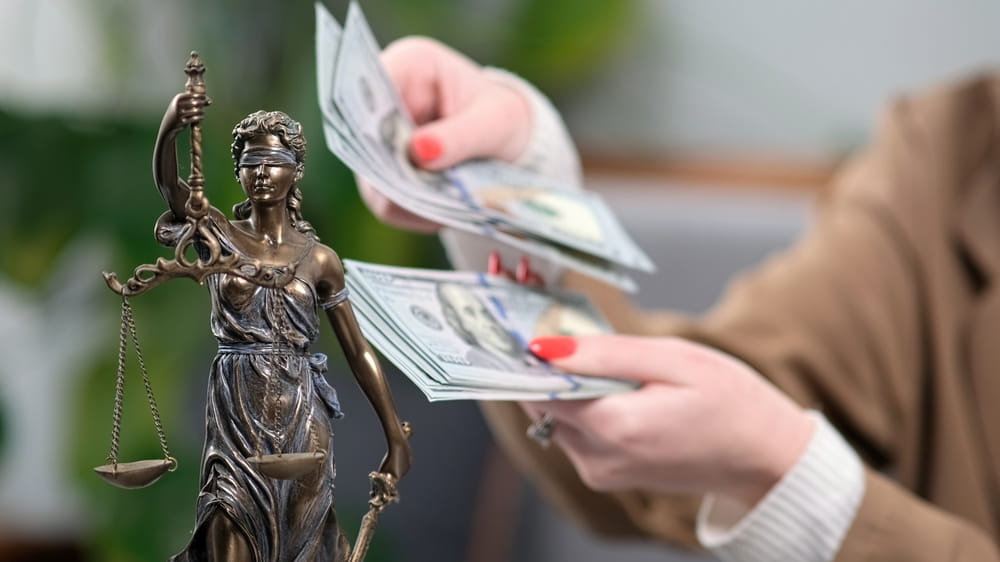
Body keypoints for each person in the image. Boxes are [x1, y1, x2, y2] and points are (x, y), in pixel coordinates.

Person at [354, 36, 1000, 560]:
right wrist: (514, 181)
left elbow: (755, 428)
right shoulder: (955, 151)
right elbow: (665, 440)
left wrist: (801, 483)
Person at [153, 92, 411, 561]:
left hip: (300, 418)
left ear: (296, 169)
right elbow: (172, 190)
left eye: (273, 161)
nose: (261, 172)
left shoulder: (319, 259)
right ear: (238, 172)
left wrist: (394, 436)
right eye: (251, 162)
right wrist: (172, 124)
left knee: (300, 547)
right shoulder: (219, 235)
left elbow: (358, 352)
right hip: (235, 408)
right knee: (226, 525)